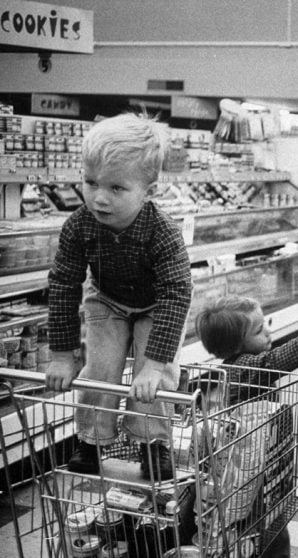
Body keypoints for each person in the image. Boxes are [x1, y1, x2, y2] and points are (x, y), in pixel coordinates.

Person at [45, 113, 193, 481]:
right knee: (101, 368)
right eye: (91, 182)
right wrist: (63, 357)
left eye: (116, 188)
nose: (99, 197)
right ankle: (91, 441)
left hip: (157, 305)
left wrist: (154, 364)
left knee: (154, 380)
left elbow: (176, 295)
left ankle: (152, 444)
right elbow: (64, 285)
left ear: (150, 191)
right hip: (106, 299)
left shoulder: (163, 233)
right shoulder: (78, 225)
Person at [195, 296, 298, 558]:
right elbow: (272, 363)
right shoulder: (241, 368)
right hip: (249, 477)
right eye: (258, 330)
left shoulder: (242, 364)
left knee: (269, 525)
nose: (268, 331)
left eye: (266, 323)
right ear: (235, 346)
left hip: (259, 467)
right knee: (263, 530)